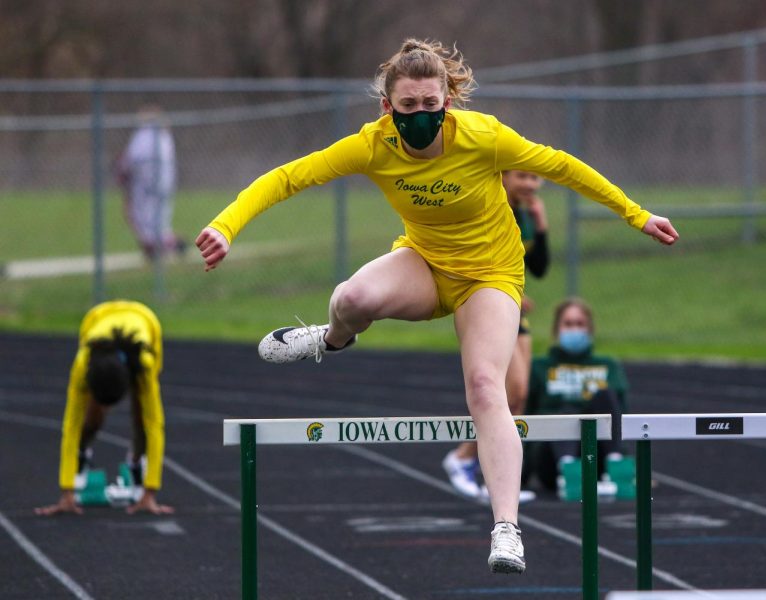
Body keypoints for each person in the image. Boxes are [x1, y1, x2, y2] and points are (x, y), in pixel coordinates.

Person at [195, 39, 678, 575]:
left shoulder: (484, 137)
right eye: (408, 108)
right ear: (388, 108)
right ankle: (331, 339)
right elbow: (289, 177)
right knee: (351, 298)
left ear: (448, 100)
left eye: (431, 105)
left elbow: (564, 168)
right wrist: (225, 225)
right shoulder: (371, 145)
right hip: (424, 263)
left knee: (485, 387)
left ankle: (506, 528)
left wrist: (637, 215)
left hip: (491, 276)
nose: (421, 116)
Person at [442, 170, 549, 500]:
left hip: (514, 311)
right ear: (503, 177)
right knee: (509, 390)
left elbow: (540, 268)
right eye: (522, 177)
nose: (530, 185)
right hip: (491, 307)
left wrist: (541, 225)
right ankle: (462, 457)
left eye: (535, 178)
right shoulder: (493, 206)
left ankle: (494, 481)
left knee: (517, 399)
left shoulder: (526, 213)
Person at [35, 300, 173, 516]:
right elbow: (70, 424)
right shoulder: (83, 364)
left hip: (147, 322)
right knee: (91, 417)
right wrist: (66, 492)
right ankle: (80, 458)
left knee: (142, 417)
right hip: (95, 319)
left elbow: (155, 425)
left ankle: (136, 465)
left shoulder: (144, 364)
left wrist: (150, 492)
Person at [525, 298, 629, 498]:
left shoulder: (608, 365)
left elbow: (621, 414)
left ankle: (615, 464)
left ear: (590, 329)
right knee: (567, 411)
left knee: (604, 394)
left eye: (580, 324)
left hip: (597, 455)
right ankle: (568, 469)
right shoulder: (539, 367)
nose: (574, 329)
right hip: (551, 458)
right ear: (557, 330)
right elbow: (526, 412)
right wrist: (522, 472)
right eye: (568, 324)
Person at [114, 105, 184, 259]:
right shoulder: (164, 137)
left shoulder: (143, 136)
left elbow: (131, 161)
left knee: (143, 216)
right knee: (159, 216)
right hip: (165, 183)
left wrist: (123, 173)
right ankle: (165, 242)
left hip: (146, 185)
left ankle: (156, 245)